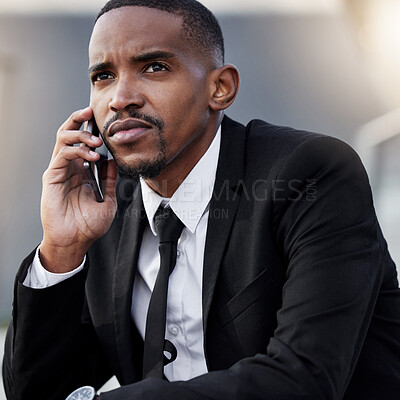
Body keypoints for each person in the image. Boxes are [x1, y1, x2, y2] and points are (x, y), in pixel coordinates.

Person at [3, 0, 400, 399]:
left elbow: (303, 380)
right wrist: (61, 249)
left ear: (220, 88)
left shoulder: (309, 175)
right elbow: (35, 391)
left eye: (154, 67)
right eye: (103, 76)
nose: (120, 98)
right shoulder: (104, 208)